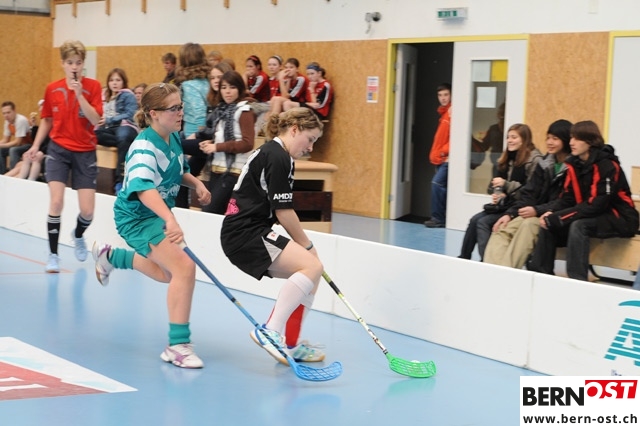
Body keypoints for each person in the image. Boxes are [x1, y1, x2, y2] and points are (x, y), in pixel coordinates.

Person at [91, 82, 211, 368]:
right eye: (173, 109)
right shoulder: (144, 147)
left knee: (169, 274)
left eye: (181, 106)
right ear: (154, 113)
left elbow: (177, 170)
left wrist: (196, 183)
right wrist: (169, 218)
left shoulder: (172, 136)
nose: (180, 113)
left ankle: (111, 256)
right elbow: (144, 189)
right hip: (136, 217)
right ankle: (177, 346)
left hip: (154, 214)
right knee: (184, 268)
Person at [220, 107, 326, 365]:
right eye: (310, 139)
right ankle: (271, 330)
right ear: (294, 129)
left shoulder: (278, 154)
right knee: (312, 265)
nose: (310, 147)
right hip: (245, 234)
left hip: (251, 230)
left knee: (313, 274)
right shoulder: (277, 156)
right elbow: (284, 211)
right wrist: (307, 245)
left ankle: (291, 344)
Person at [24, 40, 103, 273]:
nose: (74, 67)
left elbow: (95, 119)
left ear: (83, 64)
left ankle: (78, 235)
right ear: (63, 64)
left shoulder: (93, 87)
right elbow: (47, 120)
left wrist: (80, 96)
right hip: (58, 150)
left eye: (78, 62)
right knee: (56, 202)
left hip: (85, 152)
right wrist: (35, 145)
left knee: (88, 211)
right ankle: (53, 255)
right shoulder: (52, 89)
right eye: (70, 62)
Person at [526, 120, 639, 281]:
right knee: (547, 223)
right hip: (591, 214)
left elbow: (597, 205)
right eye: (571, 138)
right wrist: (551, 213)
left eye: (577, 139)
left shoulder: (607, 165)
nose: (571, 142)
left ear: (590, 142)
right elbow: (567, 198)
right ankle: (541, 276)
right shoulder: (573, 164)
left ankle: (577, 280)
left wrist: (561, 217)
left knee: (579, 225)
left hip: (620, 217)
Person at [483, 119, 572, 268]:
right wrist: (510, 214)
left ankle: (508, 272)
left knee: (528, 224)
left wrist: (537, 210)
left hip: (555, 217)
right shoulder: (545, 163)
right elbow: (529, 193)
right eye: (548, 138)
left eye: (555, 139)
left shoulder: (572, 167)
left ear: (566, 140)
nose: (549, 142)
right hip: (535, 212)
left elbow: (565, 201)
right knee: (502, 227)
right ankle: (493, 271)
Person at [458, 123, 542, 260]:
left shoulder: (534, 160)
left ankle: (488, 262)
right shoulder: (508, 156)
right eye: (508, 137)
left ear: (524, 139)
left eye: (514, 137)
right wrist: (499, 194)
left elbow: (530, 191)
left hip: (521, 207)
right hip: (507, 204)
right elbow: (499, 184)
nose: (509, 140)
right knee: (474, 220)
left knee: (483, 222)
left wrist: (506, 185)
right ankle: (464, 258)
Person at [196, 70, 255, 214]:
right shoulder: (221, 110)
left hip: (233, 172)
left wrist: (217, 147)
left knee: (210, 211)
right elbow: (223, 137)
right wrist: (211, 143)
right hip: (216, 169)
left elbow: (248, 143)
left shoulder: (244, 110)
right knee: (210, 212)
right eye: (224, 87)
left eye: (232, 87)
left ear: (239, 89)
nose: (227, 92)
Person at [95, 68, 139, 194]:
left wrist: (110, 119)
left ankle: (120, 181)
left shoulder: (128, 95)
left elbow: (130, 115)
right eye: (111, 80)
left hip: (125, 125)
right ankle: (127, 144)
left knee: (123, 137)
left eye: (118, 80)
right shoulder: (105, 96)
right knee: (94, 135)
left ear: (123, 82)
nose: (114, 83)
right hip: (110, 129)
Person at [424, 83, 452, 228]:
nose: (443, 98)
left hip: (447, 158)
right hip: (441, 159)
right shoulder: (444, 114)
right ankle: (445, 217)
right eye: (440, 95)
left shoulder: (452, 112)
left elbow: (455, 137)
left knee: (437, 183)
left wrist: (443, 152)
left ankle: (438, 218)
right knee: (443, 187)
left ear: (451, 95)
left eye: (446, 94)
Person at [264, 58, 308, 122]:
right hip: (290, 103)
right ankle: (268, 123)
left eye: (291, 67)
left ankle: (272, 123)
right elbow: (284, 96)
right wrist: (287, 81)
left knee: (277, 99)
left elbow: (286, 96)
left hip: (302, 104)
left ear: (297, 69)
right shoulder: (288, 78)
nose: (288, 70)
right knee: (274, 101)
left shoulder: (301, 79)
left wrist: (281, 79)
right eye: (286, 67)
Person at [0, 101, 32, 174]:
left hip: (29, 145)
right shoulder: (7, 122)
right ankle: (2, 174)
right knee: (1, 150)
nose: (6, 115)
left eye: (8, 112)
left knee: (13, 150)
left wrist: (1, 145)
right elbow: (5, 140)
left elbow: (17, 142)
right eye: (4, 113)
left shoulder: (20, 120)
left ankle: (13, 174)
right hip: (20, 145)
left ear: (14, 111)